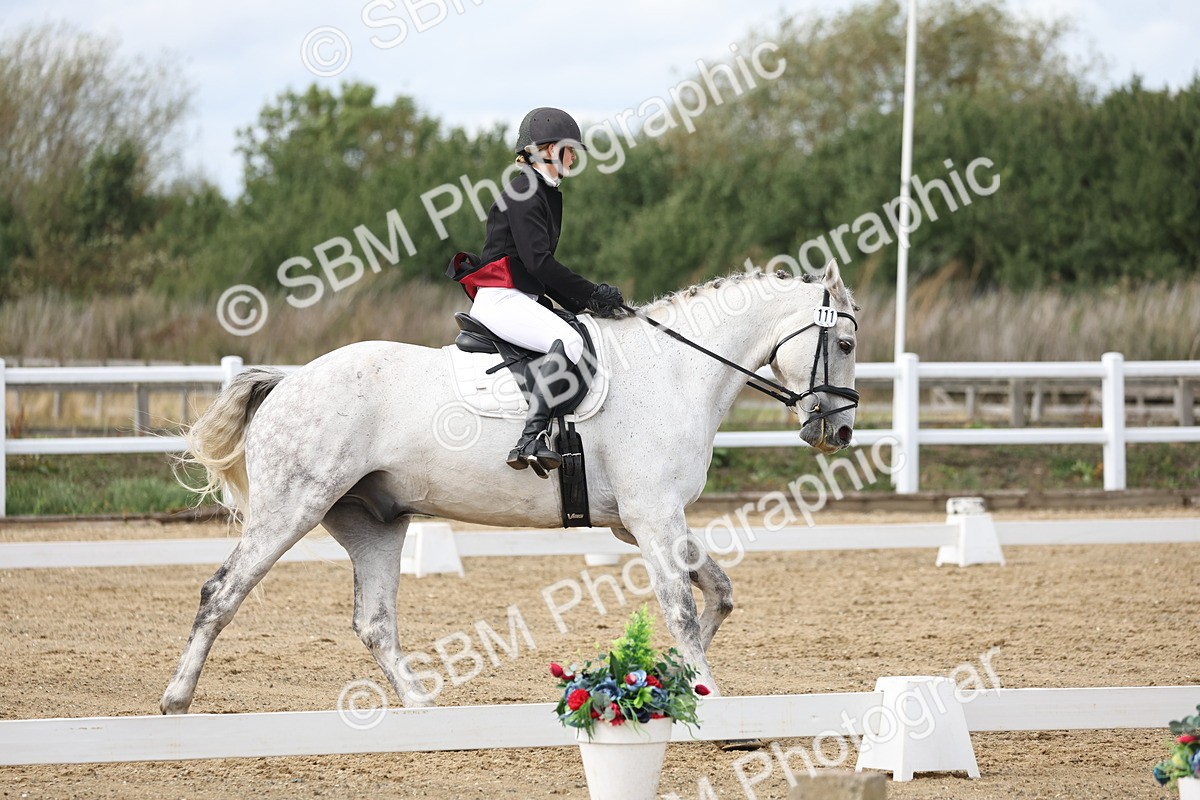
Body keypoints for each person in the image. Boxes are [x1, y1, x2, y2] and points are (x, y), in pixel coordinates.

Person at [453, 107, 625, 475]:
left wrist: (587, 304)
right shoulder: (524, 192)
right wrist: (591, 291)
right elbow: (540, 264)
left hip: (519, 297)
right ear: (548, 149)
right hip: (503, 299)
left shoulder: (541, 192)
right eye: (569, 149)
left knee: (575, 329)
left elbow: (539, 273)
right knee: (570, 342)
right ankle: (530, 438)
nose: (573, 157)